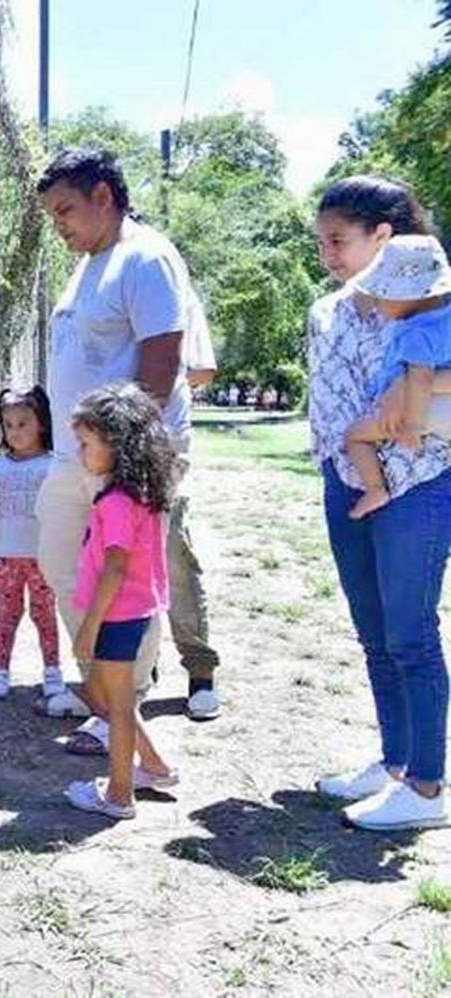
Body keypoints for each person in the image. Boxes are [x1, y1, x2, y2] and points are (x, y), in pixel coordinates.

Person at [31, 148, 223, 750]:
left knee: (124, 583)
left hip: (123, 458)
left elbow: (162, 363)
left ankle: (121, 708)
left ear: (104, 198)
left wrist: (118, 456)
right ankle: (101, 688)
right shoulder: (88, 263)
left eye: (65, 209)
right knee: (62, 563)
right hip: (73, 455)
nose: (57, 222)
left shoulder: (146, 258)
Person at [309, 176, 450, 831]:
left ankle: (427, 789)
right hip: (348, 482)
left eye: (338, 240)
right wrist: (340, 466)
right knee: (375, 637)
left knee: (411, 636)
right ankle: (396, 764)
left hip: (419, 485)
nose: (327, 254)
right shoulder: (328, 311)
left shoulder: (435, 307)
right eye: (322, 242)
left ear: (384, 236)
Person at [63, 385, 180, 819]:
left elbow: (114, 567)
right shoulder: (141, 494)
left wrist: (90, 626)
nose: (80, 453)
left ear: (116, 445)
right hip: (134, 612)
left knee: (114, 705)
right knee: (117, 701)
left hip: (115, 616)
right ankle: (154, 766)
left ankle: (118, 794)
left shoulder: (115, 502)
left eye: (86, 444)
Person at [341, 235, 451, 519]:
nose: (377, 304)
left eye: (382, 295)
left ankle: (375, 488)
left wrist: (412, 425)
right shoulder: (445, 319)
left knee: (354, 436)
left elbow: (421, 378)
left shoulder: (416, 331)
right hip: (442, 406)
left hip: (422, 410)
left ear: (410, 295)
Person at [0, 386, 64, 699]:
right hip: (7, 557)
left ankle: (52, 671)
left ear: (42, 424)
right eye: (8, 425)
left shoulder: (53, 465)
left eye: (23, 423)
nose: (15, 431)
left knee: (44, 614)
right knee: (8, 614)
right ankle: (0, 671)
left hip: (43, 558)